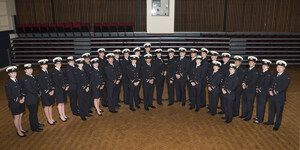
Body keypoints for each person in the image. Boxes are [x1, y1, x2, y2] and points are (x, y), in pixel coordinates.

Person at [264, 60, 290, 131]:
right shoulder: (275, 75)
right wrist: (269, 90)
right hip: (272, 96)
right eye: (278, 67)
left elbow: (283, 87)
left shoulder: (286, 77)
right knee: (271, 110)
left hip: (279, 98)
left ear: (284, 68)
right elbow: (271, 83)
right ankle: (270, 121)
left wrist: (274, 92)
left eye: (281, 67)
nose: (279, 68)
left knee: (278, 112)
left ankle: (277, 125)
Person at [5, 66, 27, 137]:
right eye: (12, 73)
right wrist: (18, 100)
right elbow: (9, 95)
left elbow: (23, 89)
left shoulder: (19, 80)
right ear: (9, 74)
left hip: (21, 101)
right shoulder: (8, 84)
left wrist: (23, 97)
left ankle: (20, 128)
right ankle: (18, 131)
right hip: (14, 103)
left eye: (14, 72)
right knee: (16, 117)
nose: (14, 74)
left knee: (20, 115)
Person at [23, 64, 44, 132]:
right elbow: (30, 89)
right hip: (30, 99)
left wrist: (39, 91)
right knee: (32, 113)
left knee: (35, 112)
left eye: (31, 69)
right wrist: (38, 93)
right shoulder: (26, 78)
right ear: (25, 70)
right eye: (28, 69)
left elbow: (36, 86)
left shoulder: (31, 76)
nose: (30, 70)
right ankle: (34, 127)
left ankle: (36, 124)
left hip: (34, 98)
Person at [37, 59, 56, 125]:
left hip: (51, 92)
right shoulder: (40, 74)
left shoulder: (49, 72)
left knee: (50, 105)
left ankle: (51, 118)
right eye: (43, 65)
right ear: (41, 66)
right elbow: (41, 84)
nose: (45, 66)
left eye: (46, 64)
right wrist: (48, 91)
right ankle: (48, 119)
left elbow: (53, 81)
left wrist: (53, 90)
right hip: (45, 93)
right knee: (46, 106)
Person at [240, 56, 259, 121]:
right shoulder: (248, 69)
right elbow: (244, 78)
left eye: (252, 62)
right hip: (245, 89)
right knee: (244, 102)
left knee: (249, 104)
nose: (250, 63)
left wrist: (245, 85)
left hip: (250, 90)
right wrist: (243, 83)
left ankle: (248, 116)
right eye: (249, 62)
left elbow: (253, 81)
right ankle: (244, 114)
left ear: (254, 63)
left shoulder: (255, 71)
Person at [254, 59, 272, 124]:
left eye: (266, 66)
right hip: (259, 92)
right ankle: (258, 116)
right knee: (258, 105)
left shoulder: (268, 75)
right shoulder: (262, 72)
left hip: (263, 93)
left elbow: (266, 85)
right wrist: (257, 87)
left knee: (261, 106)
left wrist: (260, 89)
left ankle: (260, 119)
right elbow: (258, 81)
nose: (264, 66)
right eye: (263, 65)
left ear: (268, 67)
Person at [52, 57, 69, 122]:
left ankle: (63, 114)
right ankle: (61, 115)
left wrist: (66, 85)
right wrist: (63, 86)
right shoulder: (54, 73)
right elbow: (56, 83)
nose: (59, 64)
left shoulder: (61, 71)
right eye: (57, 63)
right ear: (55, 64)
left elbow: (65, 79)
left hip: (63, 89)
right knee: (60, 103)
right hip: (58, 90)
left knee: (63, 103)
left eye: (60, 63)